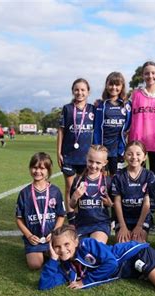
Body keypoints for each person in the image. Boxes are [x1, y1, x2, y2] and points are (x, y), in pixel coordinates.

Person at [15, 152, 66, 270]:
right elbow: (19, 218)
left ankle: (48, 252)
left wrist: (54, 233)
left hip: (51, 237)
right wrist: (28, 235)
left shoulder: (55, 191)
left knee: (65, 258)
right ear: (30, 168)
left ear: (48, 170)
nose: (37, 171)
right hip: (34, 239)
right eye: (34, 167)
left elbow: (61, 216)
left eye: (42, 168)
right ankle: (37, 252)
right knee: (35, 265)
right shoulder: (24, 193)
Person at [57, 78, 95, 212]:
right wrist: (59, 153)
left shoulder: (93, 109)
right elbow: (61, 131)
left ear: (88, 92)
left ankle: (82, 214)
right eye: (76, 90)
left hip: (86, 157)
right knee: (70, 187)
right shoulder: (67, 109)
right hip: (69, 155)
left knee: (84, 187)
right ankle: (71, 217)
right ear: (73, 91)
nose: (80, 92)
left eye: (83, 90)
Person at [128, 61, 155, 178]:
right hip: (137, 141)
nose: (150, 76)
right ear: (142, 75)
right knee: (138, 174)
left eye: (153, 73)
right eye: (147, 73)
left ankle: (153, 197)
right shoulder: (135, 95)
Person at [111, 141, 155, 243]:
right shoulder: (118, 176)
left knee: (137, 244)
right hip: (124, 218)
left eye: (138, 154)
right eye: (130, 154)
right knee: (122, 245)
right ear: (125, 155)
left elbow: (147, 202)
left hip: (141, 218)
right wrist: (122, 226)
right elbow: (117, 202)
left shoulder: (149, 175)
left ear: (145, 157)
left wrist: (139, 226)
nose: (134, 157)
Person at [68, 145, 113, 243]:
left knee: (95, 246)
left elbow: (113, 205)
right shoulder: (78, 180)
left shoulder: (108, 181)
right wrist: (75, 196)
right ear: (86, 158)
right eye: (91, 161)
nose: (93, 165)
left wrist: (110, 204)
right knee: (80, 250)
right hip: (81, 224)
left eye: (98, 163)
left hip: (101, 224)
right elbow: (72, 205)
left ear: (104, 163)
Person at [94, 72, 132, 176]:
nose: (114, 87)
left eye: (117, 85)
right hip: (102, 149)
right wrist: (97, 147)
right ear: (106, 85)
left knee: (116, 180)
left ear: (122, 86)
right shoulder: (101, 105)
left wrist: (124, 146)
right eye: (111, 84)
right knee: (102, 180)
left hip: (118, 150)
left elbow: (128, 127)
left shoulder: (127, 105)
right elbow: (97, 129)